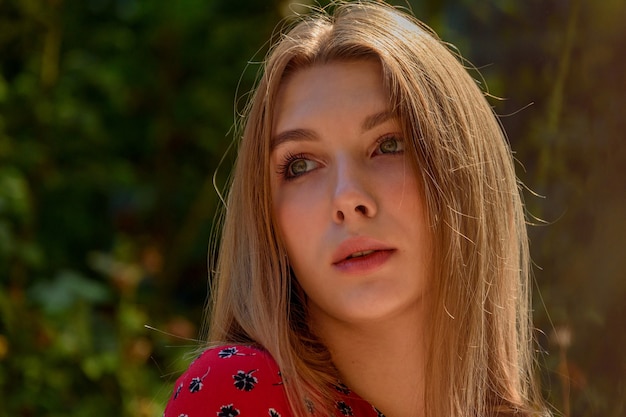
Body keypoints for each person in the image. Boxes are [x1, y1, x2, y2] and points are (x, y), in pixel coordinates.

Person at [163, 1, 550, 416]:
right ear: (268, 219)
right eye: (301, 165)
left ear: (464, 174)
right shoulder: (242, 393)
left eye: (389, 145)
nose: (348, 197)